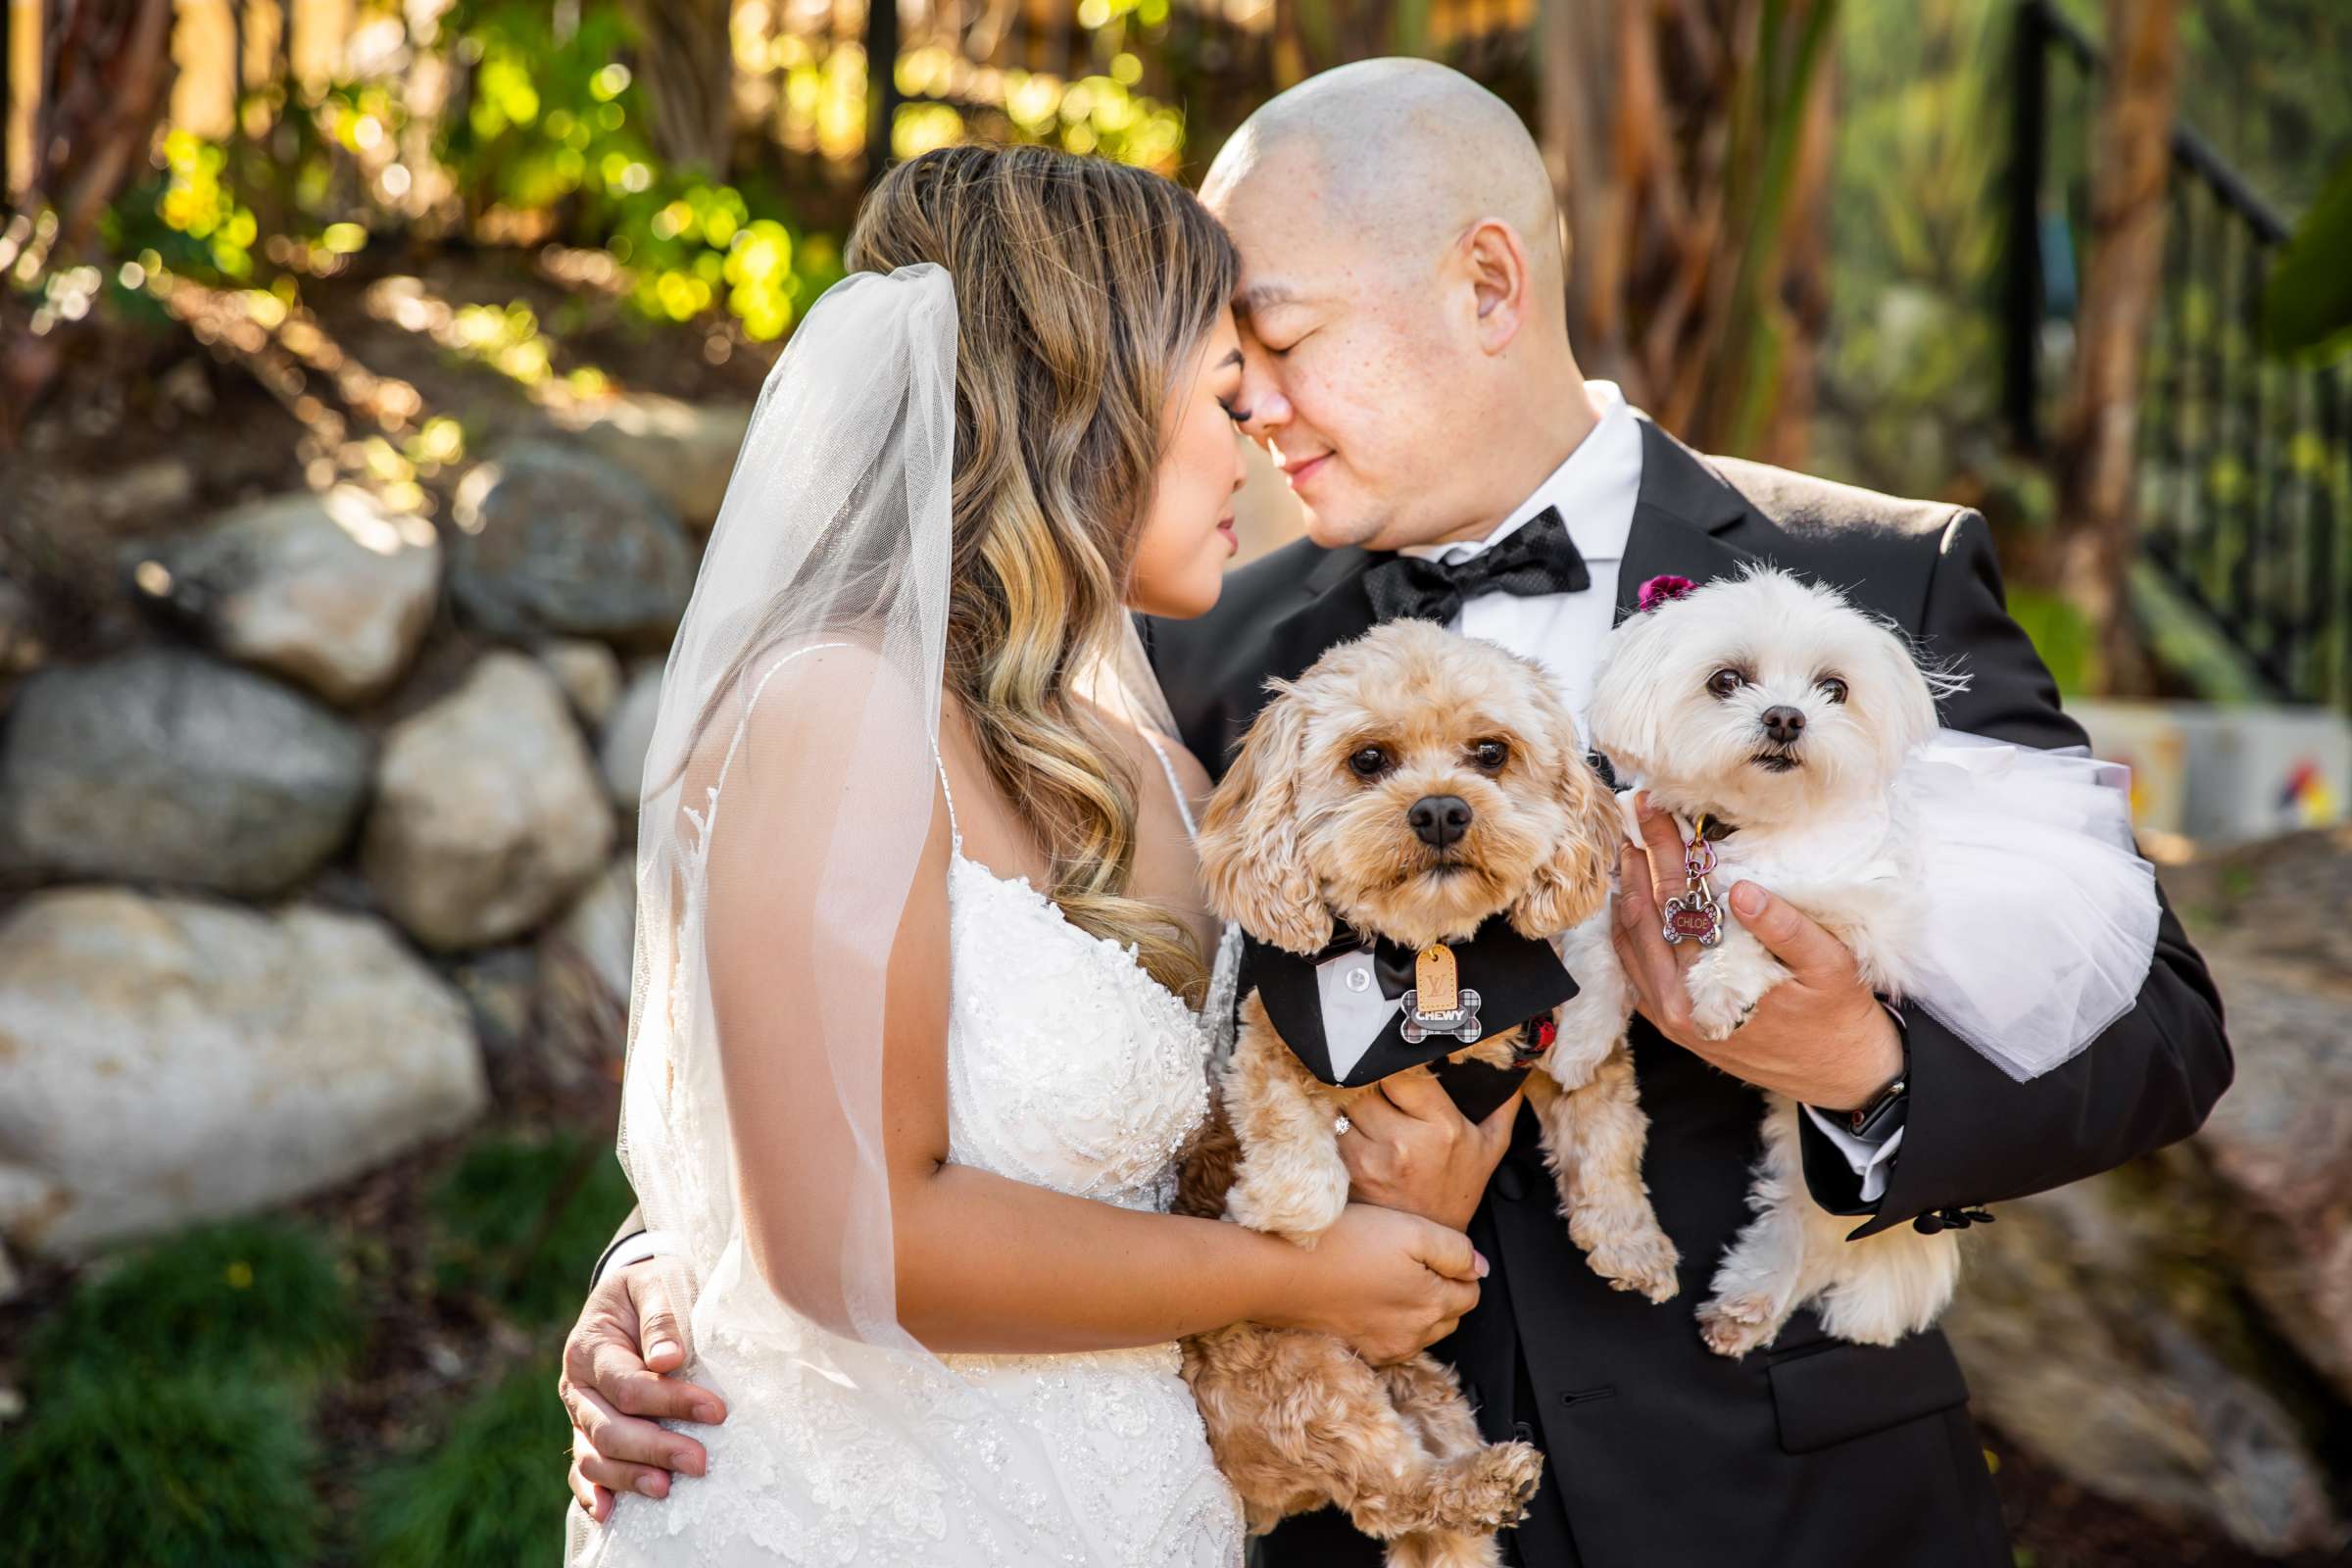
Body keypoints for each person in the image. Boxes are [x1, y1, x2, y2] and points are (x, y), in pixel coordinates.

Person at [564, 63, 2233, 1568]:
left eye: (1277, 345)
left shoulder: (1870, 582)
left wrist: (1858, 1066)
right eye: (1226, 377)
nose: (1258, 413)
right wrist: (677, 1275)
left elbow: (2158, 1031)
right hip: (1334, 1509)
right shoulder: (1185, 653)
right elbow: (903, 1049)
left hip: (1784, 1501)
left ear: (1488, 283)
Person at [560, 142, 1486, 1567]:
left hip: (1132, 1510)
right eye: (1220, 398)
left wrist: (1393, 1203)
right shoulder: (844, 707)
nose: (1252, 444)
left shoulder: (1164, 770)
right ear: (1090, 405)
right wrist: (1293, 1279)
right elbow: (845, 1234)